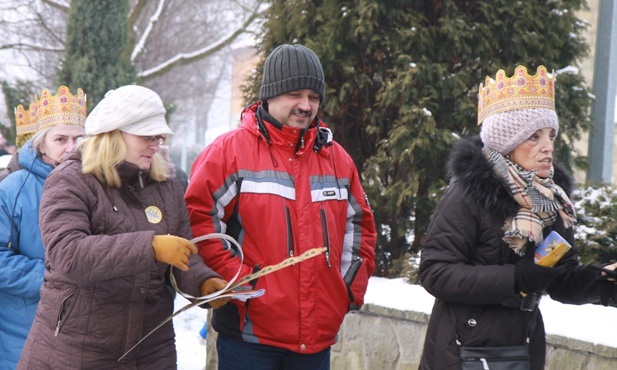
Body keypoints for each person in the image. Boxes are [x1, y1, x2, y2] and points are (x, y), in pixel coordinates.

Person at [185, 44, 377, 370]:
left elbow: (360, 229)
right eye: (295, 94)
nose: (305, 106)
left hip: (316, 341)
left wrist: (344, 293)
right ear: (270, 95)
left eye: (314, 97)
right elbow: (198, 223)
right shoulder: (228, 153)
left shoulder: (338, 160)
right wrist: (243, 284)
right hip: (249, 338)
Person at [418, 65, 617, 370]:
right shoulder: (468, 194)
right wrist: (515, 279)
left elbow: (560, 278)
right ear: (507, 143)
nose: (548, 146)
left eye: (551, 134)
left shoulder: (552, 200)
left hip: (523, 345)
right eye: (534, 137)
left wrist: (602, 281)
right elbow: (435, 272)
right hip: (463, 348)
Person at [17, 85, 229, 369]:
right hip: (77, 348)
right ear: (114, 133)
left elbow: (183, 255)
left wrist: (204, 283)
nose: (156, 144)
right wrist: (149, 247)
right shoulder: (71, 180)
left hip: (151, 347)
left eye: (159, 136)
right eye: (147, 136)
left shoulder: (166, 185)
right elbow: (67, 254)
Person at [0, 86, 86, 369]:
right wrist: (54, 279)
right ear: (41, 144)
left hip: (86, 329)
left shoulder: (100, 184)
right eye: (61, 139)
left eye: (79, 138)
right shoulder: (12, 189)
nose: (71, 148)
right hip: (25, 329)